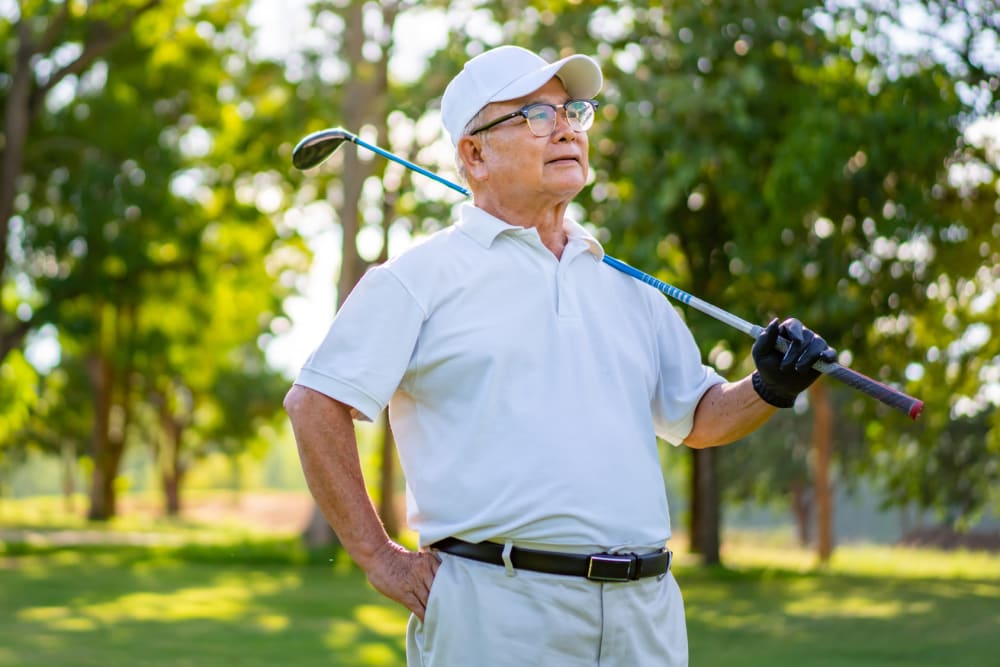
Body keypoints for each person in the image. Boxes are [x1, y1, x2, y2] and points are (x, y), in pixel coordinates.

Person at [284, 45, 836, 667]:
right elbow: (315, 403)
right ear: (474, 153)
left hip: (645, 611)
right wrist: (380, 558)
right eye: (536, 116)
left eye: (574, 111)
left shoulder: (629, 286)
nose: (568, 127)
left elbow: (698, 416)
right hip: (497, 613)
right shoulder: (418, 278)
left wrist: (769, 386)